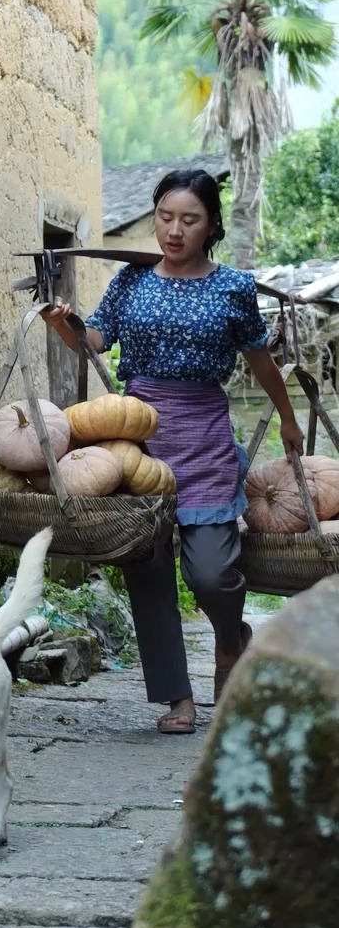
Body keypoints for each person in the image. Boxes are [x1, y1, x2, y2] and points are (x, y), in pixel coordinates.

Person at [42, 167, 303, 733]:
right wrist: (66, 323)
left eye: (189, 219)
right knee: (148, 567)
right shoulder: (131, 281)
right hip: (138, 434)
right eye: (165, 217)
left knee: (211, 572)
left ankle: (232, 641)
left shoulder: (232, 286)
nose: (174, 230)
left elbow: (261, 362)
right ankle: (176, 699)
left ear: (211, 226)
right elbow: (95, 341)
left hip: (205, 433)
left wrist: (287, 418)